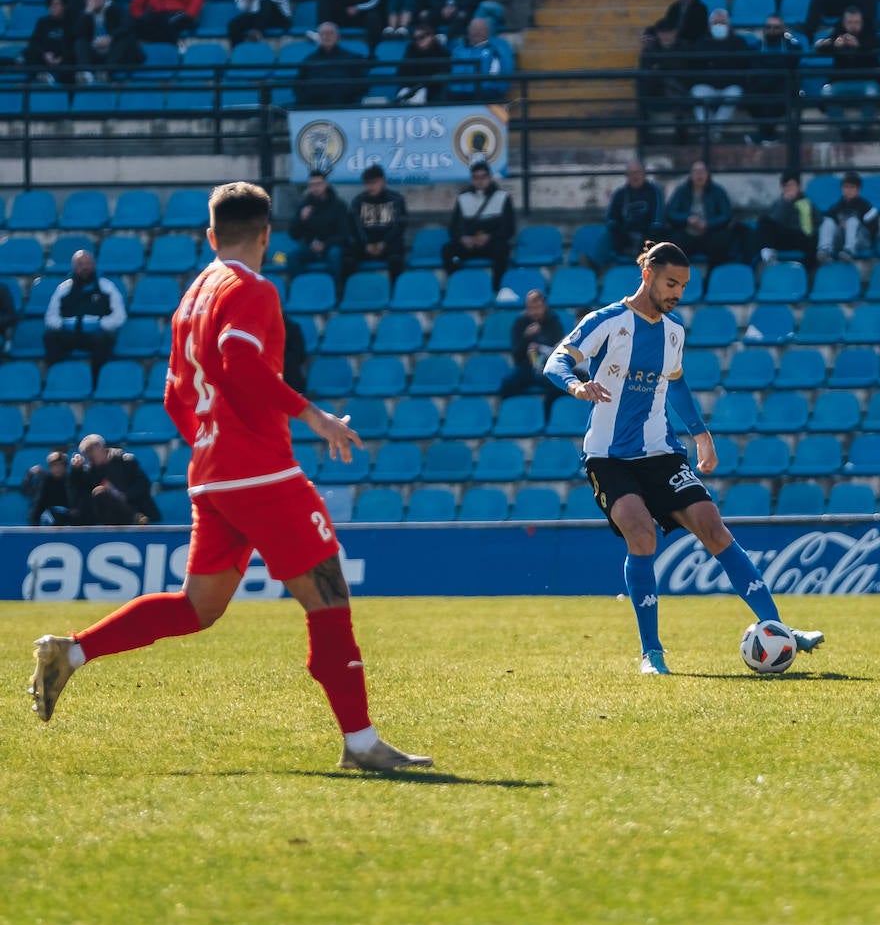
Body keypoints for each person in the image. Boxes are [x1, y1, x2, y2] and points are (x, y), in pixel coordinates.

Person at [26, 181, 435, 770]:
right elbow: (240, 361)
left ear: (211, 235)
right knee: (328, 601)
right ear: (267, 235)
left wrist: (211, 442)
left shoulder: (192, 294)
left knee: (198, 609)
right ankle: (362, 743)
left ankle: (74, 651)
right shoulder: (253, 289)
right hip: (261, 474)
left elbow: (173, 395)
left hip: (213, 477)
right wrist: (315, 417)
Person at [542, 241, 824, 675]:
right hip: (609, 458)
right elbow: (556, 361)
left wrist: (702, 435)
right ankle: (651, 653)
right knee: (641, 535)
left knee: (713, 528)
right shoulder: (607, 321)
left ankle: (780, 629)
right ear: (647, 275)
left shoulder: (674, 331)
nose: (678, 292)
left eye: (684, 285)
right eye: (671, 283)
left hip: (662, 454)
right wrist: (577, 385)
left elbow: (675, 384)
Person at [43, 248, 125, 373]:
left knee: (102, 341)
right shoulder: (63, 289)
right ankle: (57, 377)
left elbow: (120, 315)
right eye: (80, 264)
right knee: (50, 337)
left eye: (88, 264)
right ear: (74, 267)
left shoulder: (106, 287)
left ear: (94, 265)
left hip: (95, 335)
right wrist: (62, 325)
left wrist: (102, 324)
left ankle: (97, 381)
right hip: (70, 334)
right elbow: (50, 316)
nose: (85, 267)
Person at [441, 159, 515, 287]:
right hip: (469, 244)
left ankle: (496, 288)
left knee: (502, 250)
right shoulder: (463, 198)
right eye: (476, 178)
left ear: (490, 177)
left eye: (483, 177)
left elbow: (509, 228)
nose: (480, 181)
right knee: (448, 250)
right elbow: (453, 228)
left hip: (491, 243)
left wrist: (490, 237)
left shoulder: (503, 197)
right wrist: (463, 239)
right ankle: (456, 285)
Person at [816, 5, 880, 141]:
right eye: (850, 22)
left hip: (866, 81)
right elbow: (820, 47)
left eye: (857, 22)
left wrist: (859, 46)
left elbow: (877, 44)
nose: (853, 26)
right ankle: (845, 130)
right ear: (844, 23)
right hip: (841, 82)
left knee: (872, 92)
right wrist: (834, 44)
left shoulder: (870, 33)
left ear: (862, 22)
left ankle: (863, 131)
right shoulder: (838, 32)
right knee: (826, 92)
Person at [688, 8, 756, 138]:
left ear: (729, 25)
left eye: (722, 23)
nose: (719, 26)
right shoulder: (701, 43)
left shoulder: (739, 42)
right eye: (716, 23)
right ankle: (708, 129)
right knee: (697, 92)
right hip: (708, 86)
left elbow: (742, 66)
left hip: (730, 86)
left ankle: (713, 129)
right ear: (709, 27)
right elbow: (696, 67)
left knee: (735, 93)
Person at [67, 432, 160, 526]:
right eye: (86, 453)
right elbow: (78, 489)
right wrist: (77, 470)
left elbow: (143, 485)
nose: (89, 455)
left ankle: (135, 517)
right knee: (98, 493)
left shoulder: (126, 461)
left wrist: (125, 496)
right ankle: (134, 517)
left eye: (90, 450)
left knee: (100, 492)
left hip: (135, 507)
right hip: (110, 515)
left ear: (101, 447)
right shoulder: (92, 470)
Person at [593, 159, 665, 269]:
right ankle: (594, 266)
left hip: (647, 234)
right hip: (625, 235)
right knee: (607, 235)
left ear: (644, 174)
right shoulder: (620, 194)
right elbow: (610, 217)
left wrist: (652, 229)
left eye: (637, 173)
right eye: (631, 173)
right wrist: (614, 226)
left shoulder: (654, 191)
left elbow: (658, 218)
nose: (634, 176)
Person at [500, 288, 565, 410]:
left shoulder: (553, 322)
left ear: (544, 306)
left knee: (559, 386)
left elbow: (557, 349)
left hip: (546, 367)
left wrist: (540, 345)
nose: (535, 312)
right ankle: (515, 412)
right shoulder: (521, 322)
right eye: (531, 308)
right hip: (526, 367)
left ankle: (547, 417)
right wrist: (526, 337)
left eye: (537, 308)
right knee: (508, 383)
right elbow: (516, 355)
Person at [345, 163, 409, 285]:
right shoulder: (358, 201)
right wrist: (366, 244)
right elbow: (356, 227)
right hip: (365, 245)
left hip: (388, 244)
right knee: (348, 258)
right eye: (367, 183)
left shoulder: (396, 199)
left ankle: (395, 291)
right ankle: (347, 291)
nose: (371, 187)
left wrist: (384, 243)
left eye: (374, 182)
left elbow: (399, 226)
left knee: (396, 257)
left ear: (383, 182)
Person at [665, 160, 735, 269]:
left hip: (709, 232)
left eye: (702, 172)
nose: (699, 175)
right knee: (674, 242)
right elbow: (670, 213)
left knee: (721, 240)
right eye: (696, 172)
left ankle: (713, 277)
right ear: (691, 175)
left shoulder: (717, 191)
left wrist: (707, 224)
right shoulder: (682, 191)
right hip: (687, 232)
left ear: (708, 174)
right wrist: (687, 219)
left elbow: (726, 215)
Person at [747, 13, 803, 144]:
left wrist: (769, 65)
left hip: (783, 86)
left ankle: (764, 135)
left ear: (783, 29)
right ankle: (769, 135)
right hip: (761, 86)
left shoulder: (792, 47)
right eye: (769, 27)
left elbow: (789, 64)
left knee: (781, 92)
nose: (772, 30)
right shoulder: (755, 46)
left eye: (776, 27)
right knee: (753, 94)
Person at [287, 170, 349, 283]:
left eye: (319, 184)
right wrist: (301, 219)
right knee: (293, 256)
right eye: (312, 185)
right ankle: (300, 288)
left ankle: (337, 291)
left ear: (326, 184)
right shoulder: (305, 205)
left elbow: (344, 235)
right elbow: (293, 234)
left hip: (331, 246)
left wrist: (325, 244)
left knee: (334, 255)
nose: (315, 188)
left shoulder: (338, 205)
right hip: (311, 247)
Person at [293, 21, 370, 107]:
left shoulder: (353, 58)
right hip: (315, 108)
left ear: (338, 37)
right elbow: (298, 86)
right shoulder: (308, 61)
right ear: (318, 37)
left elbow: (362, 85)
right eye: (323, 34)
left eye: (331, 33)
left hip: (346, 106)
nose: (327, 36)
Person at [756, 170, 819, 268]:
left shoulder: (808, 203)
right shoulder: (780, 203)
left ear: (799, 186)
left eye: (792, 185)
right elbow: (775, 220)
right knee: (764, 222)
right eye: (786, 186)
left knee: (813, 239)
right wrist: (786, 202)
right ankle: (768, 255)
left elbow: (817, 223)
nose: (789, 189)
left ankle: (806, 271)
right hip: (784, 236)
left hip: (802, 236)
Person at [816, 170, 878, 262]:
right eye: (846, 187)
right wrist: (839, 226)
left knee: (852, 221)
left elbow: (872, 230)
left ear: (858, 189)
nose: (848, 190)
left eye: (852, 187)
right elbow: (831, 226)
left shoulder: (866, 207)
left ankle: (849, 251)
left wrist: (851, 225)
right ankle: (824, 250)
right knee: (827, 221)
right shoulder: (836, 207)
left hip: (861, 241)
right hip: (841, 240)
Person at [449, 15, 513, 101]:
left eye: (480, 29)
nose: (476, 32)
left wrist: (493, 89)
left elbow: (505, 71)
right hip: (458, 94)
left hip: (487, 94)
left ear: (488, 31)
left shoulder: (498, 48)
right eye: (474, 29)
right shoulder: (459, 49)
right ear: (468, 31)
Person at [22, 0, 74, 84]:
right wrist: (45, 54)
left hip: (63, 59)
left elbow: (72, 44)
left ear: (64, 6)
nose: (52, 7)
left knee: (73, 57)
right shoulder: (43, 22)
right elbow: (34, 42)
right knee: (29, 52)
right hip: (44, 58)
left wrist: (61, 58)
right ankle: (42, 75)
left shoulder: (70, 23)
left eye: (56, 4)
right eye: (51, 5)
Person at [394, 19, 451, 103]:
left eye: (422, 37)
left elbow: (442, 74)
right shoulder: (410, 52)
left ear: (431, 36)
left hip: (433, 92)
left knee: (421, 93)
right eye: (415, 38)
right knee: (404, 92)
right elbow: (402, 73)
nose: (418, 40)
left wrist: (424, 87)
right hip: (411, 89)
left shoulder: (442, 53)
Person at [21, 450, 74, 526]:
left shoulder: (71, 480)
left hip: (68, 520)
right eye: (54, 465)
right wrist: (30, 474)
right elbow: (26, 490)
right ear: (49, 467)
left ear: (65, 467)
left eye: (60, 465)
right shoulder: (43, 481)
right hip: (43, 521)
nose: (57, 468)